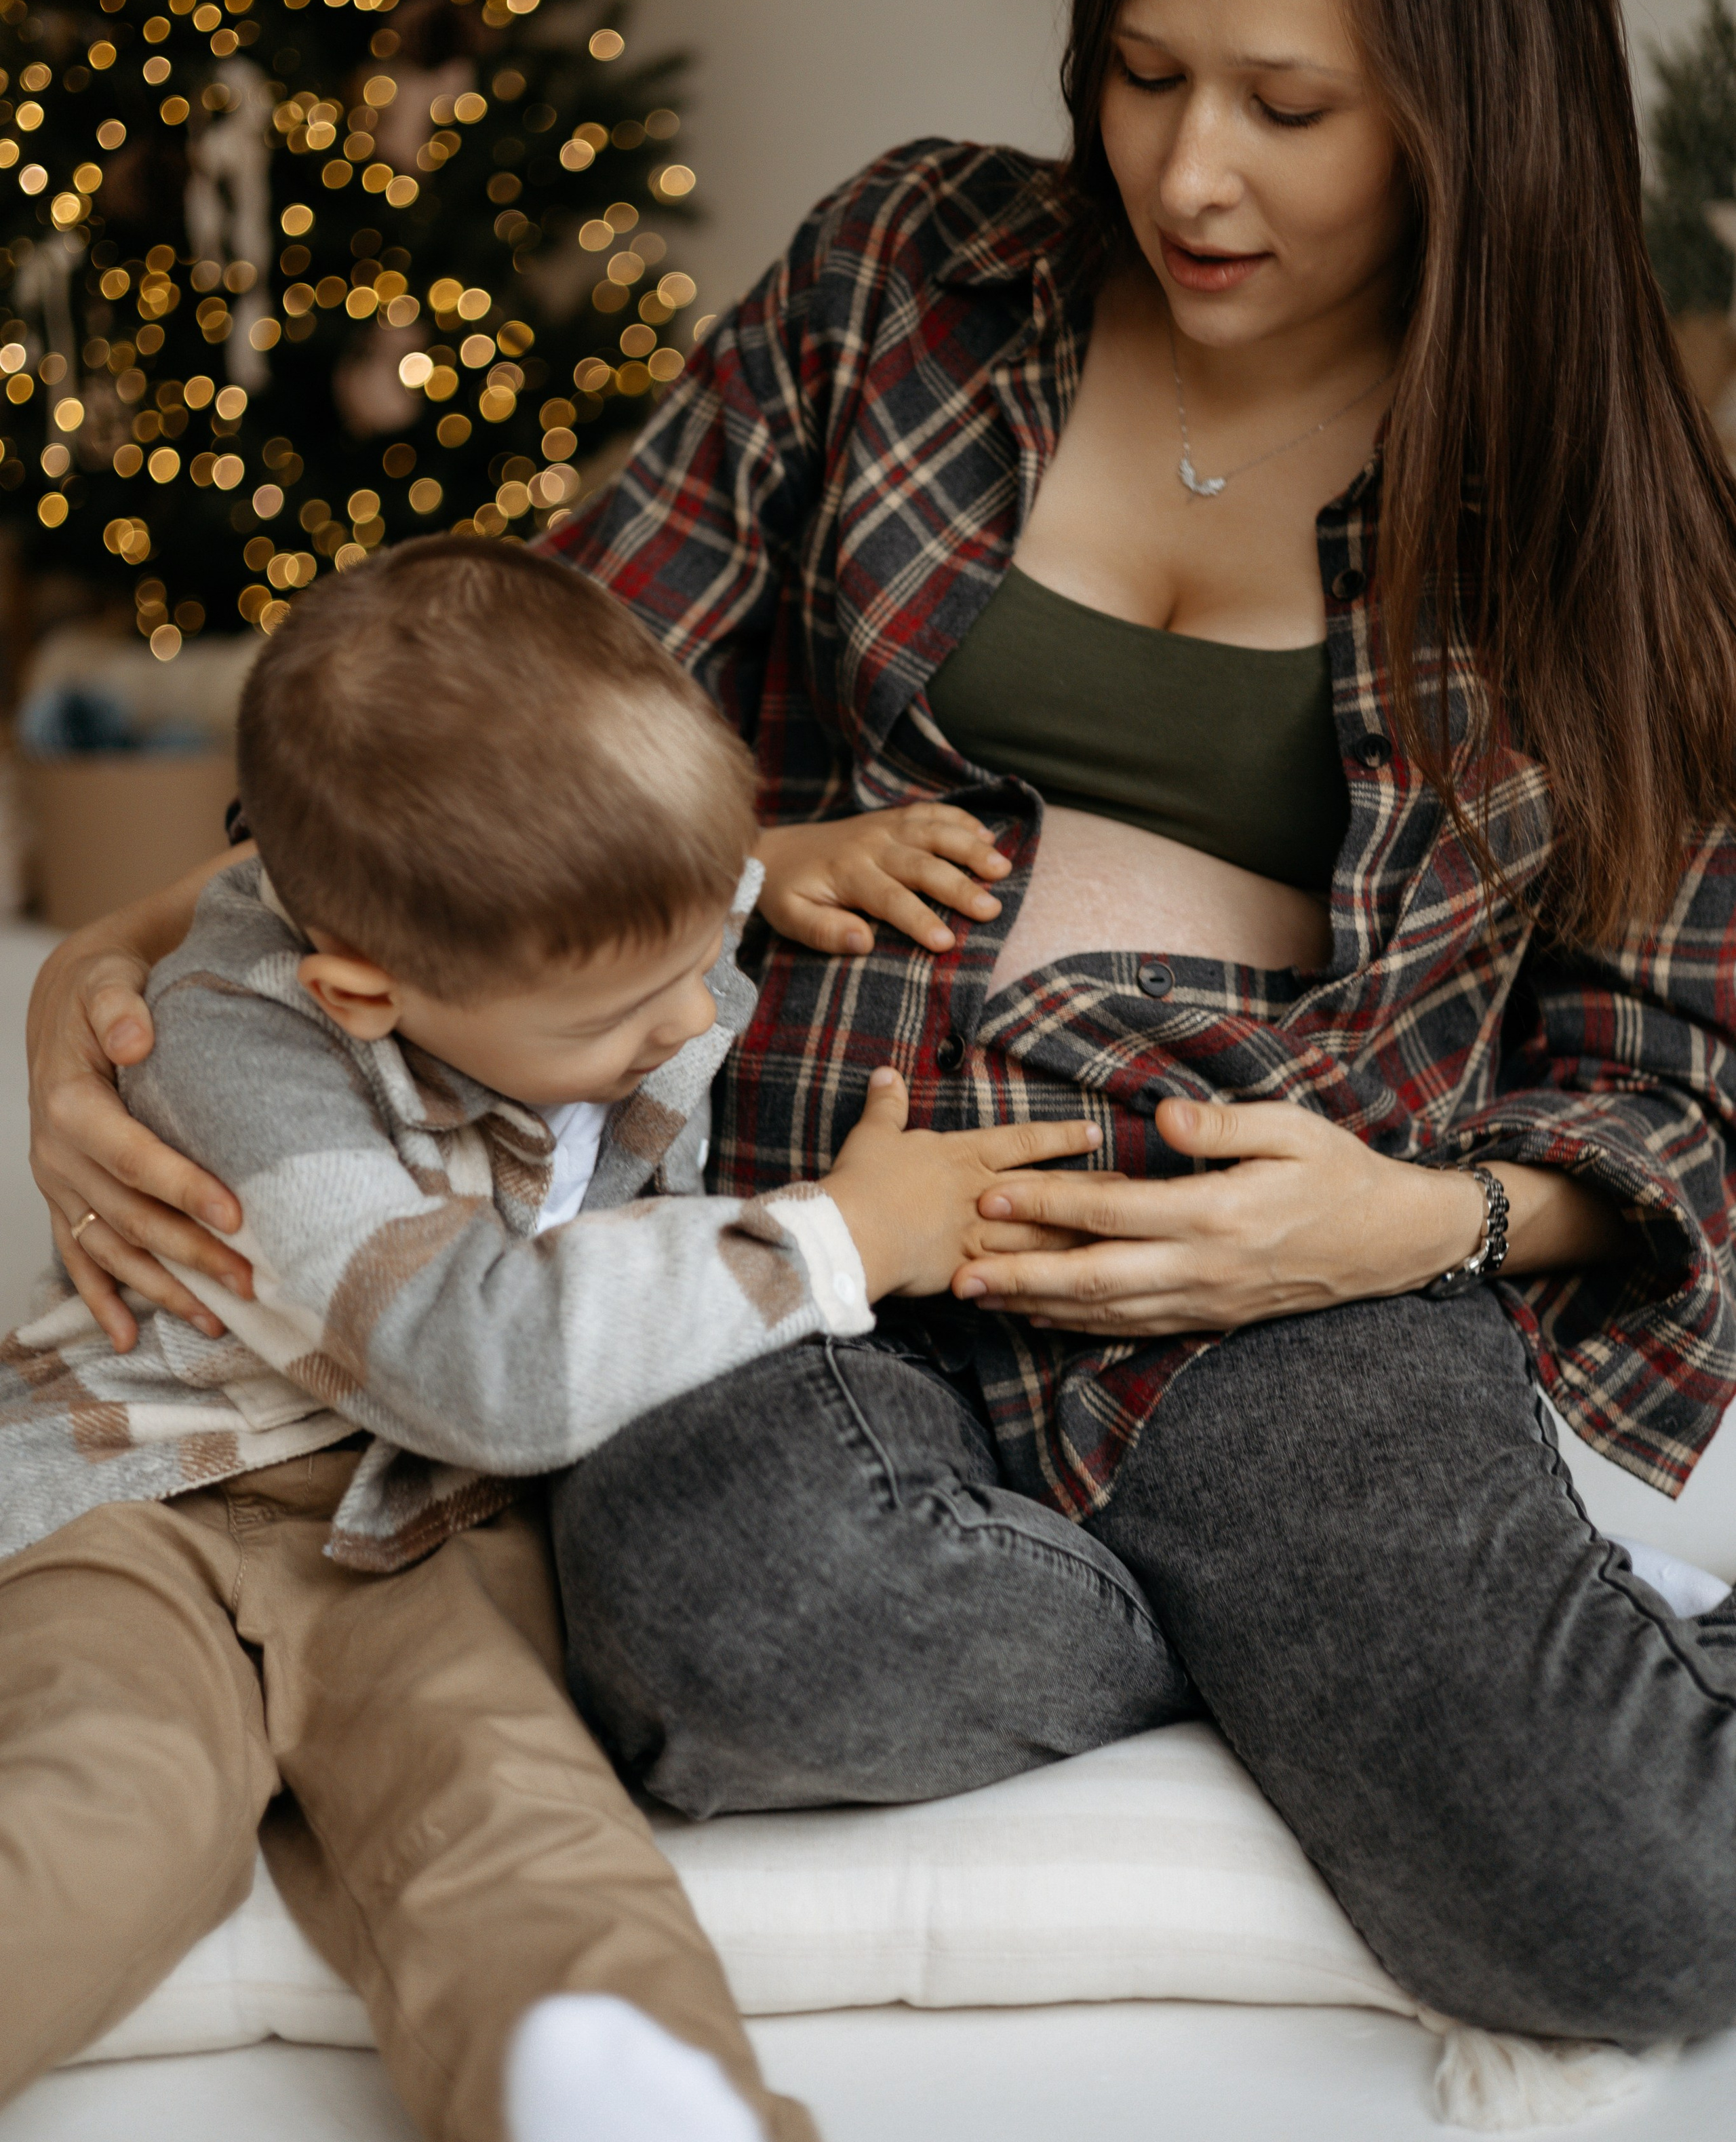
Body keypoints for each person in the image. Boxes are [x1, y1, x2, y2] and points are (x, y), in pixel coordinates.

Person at [28, 0, 1736, 2048]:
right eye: (1143, 72)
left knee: (1634, 1915)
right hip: (798, 1225)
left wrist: (1412, 1227)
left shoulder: (1608, 507)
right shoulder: (909, 274)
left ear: (1474, 107)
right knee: (730, 1634)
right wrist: (101, 979)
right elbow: (491, 729)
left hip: (1277, 1289)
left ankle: (1389, 1638)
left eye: (1290, 109)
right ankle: (1271, 1656)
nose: (1192, 175)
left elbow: (1675, 1075)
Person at [0, 537, 1097, 2142]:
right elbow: (480, 1363)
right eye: (614, 1017)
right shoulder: (234, 1054)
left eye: (698, 953)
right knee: (108, 1806)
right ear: (362, 994)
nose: (690, 1019)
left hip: (423, 1529)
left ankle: (623, 2100)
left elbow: (647, 897)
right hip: (139, 1499)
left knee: (518, 1824)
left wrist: (760, 867)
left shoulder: (587, 925)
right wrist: (839, 1239)